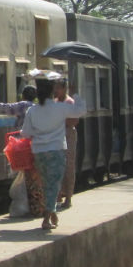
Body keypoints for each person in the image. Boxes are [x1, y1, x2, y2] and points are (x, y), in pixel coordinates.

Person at [20, 75, 86, 231]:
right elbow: (81, 110)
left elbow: (26, 133)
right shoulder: (60, 107)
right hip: (56, 150)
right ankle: (46, 218)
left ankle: (51, 212)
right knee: (54, 185)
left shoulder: (32, 110)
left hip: (39, 152)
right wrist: (76, 94)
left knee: (45, 184)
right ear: (51, 91)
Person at [0, 85, 43, 217]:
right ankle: (34, 206)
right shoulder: (37, 108)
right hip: (36, 146)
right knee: (32, 179)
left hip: (23, 147)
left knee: (22, 176)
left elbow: (6, 108)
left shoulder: (24, 105)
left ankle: (24, 207)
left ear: (23, 96)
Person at [54, 77, 80, 210]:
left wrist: (60, 121)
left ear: (64, 88)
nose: (55, 90)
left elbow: (74, 121)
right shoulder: (54, 102)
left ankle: (68, 197)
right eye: (55, 87)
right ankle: (58, 196)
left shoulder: (70, 102)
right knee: (57, 166)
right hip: (56, 136)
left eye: (58, 87)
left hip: (68, 134)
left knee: (68, 166)